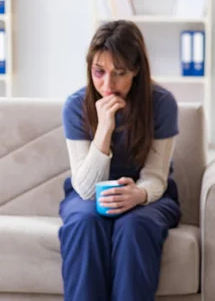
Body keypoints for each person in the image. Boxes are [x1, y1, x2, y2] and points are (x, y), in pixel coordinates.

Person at [59, 20, 181, 301]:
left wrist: (139, 193)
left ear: (136, 71)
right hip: (88, 193)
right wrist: (104, 129)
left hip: (148, 194)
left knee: (135, 225)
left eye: (120, 73)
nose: (107, 84)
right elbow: (87, 190)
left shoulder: (162, 104)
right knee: (84, 222)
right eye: (98, 72)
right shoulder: (76, 105)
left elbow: (156, 175)